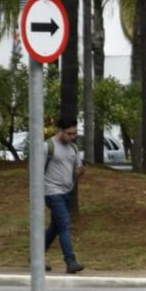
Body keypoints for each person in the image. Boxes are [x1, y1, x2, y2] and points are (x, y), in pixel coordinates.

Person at [44, 117, 85, 274]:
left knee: (56, 227)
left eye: (75, 133)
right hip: (52, 191)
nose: (73, 136)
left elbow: (76, 171)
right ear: (59, 131)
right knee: (64, 224)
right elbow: (36, 170)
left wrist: (80, 172)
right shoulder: (48, 147)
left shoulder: (73, 149)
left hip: (67, 191)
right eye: (69, 133)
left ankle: (37, 256)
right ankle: (70, 261)